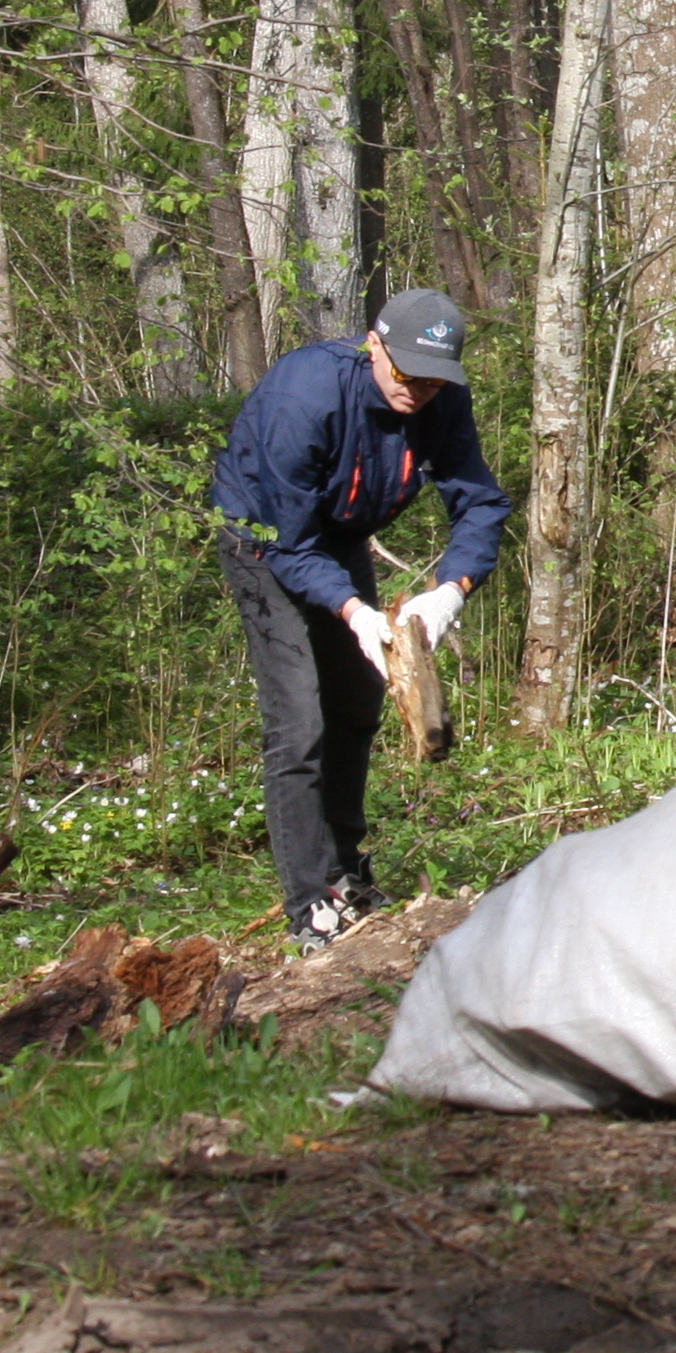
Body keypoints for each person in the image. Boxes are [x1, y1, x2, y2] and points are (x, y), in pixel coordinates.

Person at [210, 290, 507, 950]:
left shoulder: (441, 399)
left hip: (339, 537)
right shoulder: (305, 396)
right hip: (265, 539)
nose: (418, 391)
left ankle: (345, 873)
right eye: (407, 373)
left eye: (434, 380)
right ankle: (309, 902)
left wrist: (451, 591)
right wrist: (352, 610)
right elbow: (289, 540)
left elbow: (480, 502)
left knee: (356, 704)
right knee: (300, 721)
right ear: (374, 346)